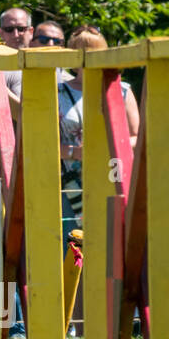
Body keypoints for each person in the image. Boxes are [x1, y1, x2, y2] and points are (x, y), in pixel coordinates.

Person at [56, 26, 140, 218]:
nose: (89, 58)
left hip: (115, 177)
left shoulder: (122, 89)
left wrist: (108, 148)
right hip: (71, 185)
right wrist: (74, 152)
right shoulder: (57, 92)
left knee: (115, 239)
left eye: (95, 51)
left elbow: (137, 136)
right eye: (82, 52)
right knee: (75, 243)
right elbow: (43, 143)